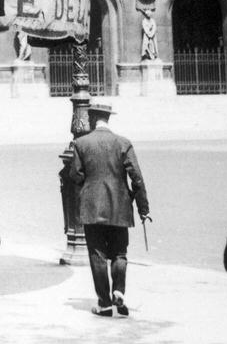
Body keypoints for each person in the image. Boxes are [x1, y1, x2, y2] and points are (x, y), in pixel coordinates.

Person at [68, 101, 149, 318]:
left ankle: (104, 303)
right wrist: (143, 209)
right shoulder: (123, 143)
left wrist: (89, 183)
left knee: (97, 254)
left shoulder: (81, 143)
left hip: (92, 207)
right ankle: (119, 290)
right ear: (108, 119)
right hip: (120, 207)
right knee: (119, 253)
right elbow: (137, 179)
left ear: (93, 119)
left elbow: (75, 175)